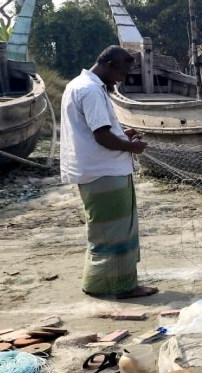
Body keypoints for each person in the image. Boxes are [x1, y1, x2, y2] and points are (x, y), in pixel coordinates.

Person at [60, 46, 156, 300]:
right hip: (104, 171)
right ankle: (120, 287)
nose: (123, 78)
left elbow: (94, 131)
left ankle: (98, 282)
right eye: (122, 72)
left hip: (95, 169)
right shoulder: (90, 90)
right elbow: (101, 136)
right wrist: (131, 146)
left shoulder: (77, 85)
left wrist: (123, 137)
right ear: (110, 65)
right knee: (116, 231)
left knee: (103, 230)